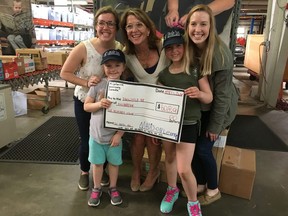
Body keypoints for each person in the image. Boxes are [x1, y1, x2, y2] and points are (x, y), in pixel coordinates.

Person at [60, 6, 122, 191]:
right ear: (96, 26)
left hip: (109, 103)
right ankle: (85, 171)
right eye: (101, 23)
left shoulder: (120, 48)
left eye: (110, 23)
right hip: (85, 100)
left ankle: (100, 171)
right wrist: (87, 82)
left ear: (116, 28)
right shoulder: (84, 47)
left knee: (107, 138)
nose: (106, 27)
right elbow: (65, 73)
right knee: (88, 138)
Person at [184, 4, 239, 205]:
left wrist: (216, 125)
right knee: (195, 146)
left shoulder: (221, 54)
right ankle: (199, 183)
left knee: (203, 150)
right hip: (202, 107)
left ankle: (213, 189)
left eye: (203, 24)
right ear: (187, 26)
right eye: (193, 24)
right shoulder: (188, 47)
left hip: (219, 110)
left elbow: (223, 97)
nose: (198, 29)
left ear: (211, 26)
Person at [157, 27, 213, 216]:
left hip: (188, 123)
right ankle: (171, 190)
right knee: (170, 158)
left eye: (178, 46)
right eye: (170, 48)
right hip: (168, 124)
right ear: (165, 50)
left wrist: (199, 93)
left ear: (185, 46)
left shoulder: (195, 69)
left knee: (183, 168)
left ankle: (193, 201)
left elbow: (209, 97)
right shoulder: (164, 75)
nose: (174, 51)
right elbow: (158, 101)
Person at [119, 8, 170, 192]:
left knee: (152, 138)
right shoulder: (126, 54)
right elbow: (118, 76)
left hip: (162, 105)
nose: (134, 30)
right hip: (141, 105)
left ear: (148, 29)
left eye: (139, 24)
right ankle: (136, 170)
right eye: (129, 26)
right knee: (138, 138)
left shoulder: (164, 47)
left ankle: (154, 171)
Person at [84, 49, 126, 207]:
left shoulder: (127, 88)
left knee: (114, 164)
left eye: (117, 65)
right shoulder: (97, 85)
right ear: (103, 67)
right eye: (108, 65)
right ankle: (96, 188)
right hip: (96, 136)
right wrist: (99, 104)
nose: (113, 68)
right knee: (97, 164)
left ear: (123, 67)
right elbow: (86, 106)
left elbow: (127, 116)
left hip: (113, 138)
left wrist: (119, 135)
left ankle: (113, 188)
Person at [165, 0, 235, 43]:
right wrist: (172, 9)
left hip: (209, 37)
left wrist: (197, 14)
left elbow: (229, 1)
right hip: (178, 32)